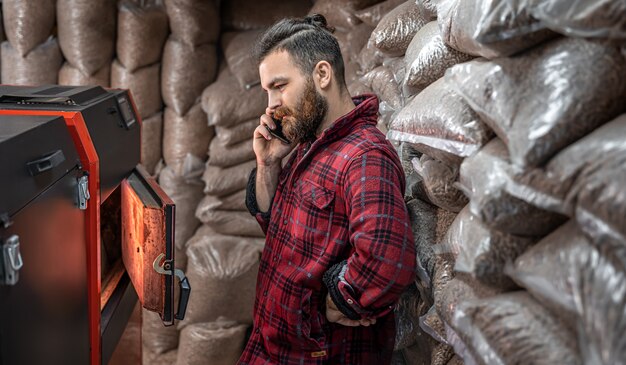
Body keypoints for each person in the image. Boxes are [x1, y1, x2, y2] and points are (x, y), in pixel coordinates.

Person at [238, 13, 417, 365]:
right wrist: (268, 164)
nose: (270, 104)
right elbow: (278, 229)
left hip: (317, 354)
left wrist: (338, 299)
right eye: (267, 91)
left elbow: (387, 264)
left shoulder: (364, 156)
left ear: (322, 74)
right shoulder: (308, 142)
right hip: (272, 345)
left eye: (280, 85)